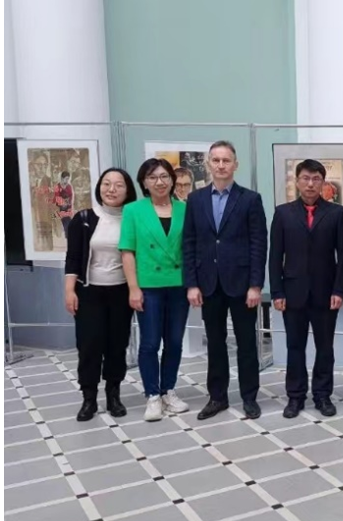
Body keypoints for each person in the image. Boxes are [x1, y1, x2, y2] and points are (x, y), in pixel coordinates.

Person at [182, 141, 268, 420]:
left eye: (226, 160)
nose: (221, 165)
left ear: (235, 165)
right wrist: (192, 283)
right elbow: (189, 242)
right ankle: (217, 397)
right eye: (216, 160)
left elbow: (259, 244)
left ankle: (249, 397)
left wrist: (256, 285)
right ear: (208, 163)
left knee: (247, 343)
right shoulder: (196, 199)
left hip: (242, 284)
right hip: (209, 283)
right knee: (215, 343)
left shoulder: (250, 199)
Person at [269, 159, 343, 418]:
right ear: (297, 181)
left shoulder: (337, 213)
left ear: (323, 182)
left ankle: (322, 395)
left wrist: (339, 290)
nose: (311, 184)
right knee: (295, 347)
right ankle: (295, 396)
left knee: (325, 348)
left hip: (326, 293)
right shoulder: (283, 213)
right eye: (305, 178)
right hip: (293, 293)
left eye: (316, 179)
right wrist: (277, 292)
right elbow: (275, 256)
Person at [119, 158, 191, 421]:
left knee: (174, 342)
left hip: (179, 284)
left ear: (172, 180)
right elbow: (127, 251)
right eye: (152, 177)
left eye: (164, 176)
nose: (159, 182)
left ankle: (168, 390)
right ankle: (152, 395)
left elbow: (192, 248)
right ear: (144, 183)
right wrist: (133, 288)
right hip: (148, 286)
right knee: (150, 342)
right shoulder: (133, 210)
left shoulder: (185, 209)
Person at [65, 168, 138, 421]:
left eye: (118, 185)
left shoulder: (132, 218)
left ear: (128, 191)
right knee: (89, 345)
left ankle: (113, 395)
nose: (111, 189)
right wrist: (69, 291)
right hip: (89, 292)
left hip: (121, 291)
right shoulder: (84, 218)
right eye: (106, 184)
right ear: (99, 188)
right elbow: (73, 258)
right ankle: (89, 399)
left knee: (117, 345)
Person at [54, 171, 75, 237]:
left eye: (68, 179)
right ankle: (68, 234)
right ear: (62, 178)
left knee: (69, 220)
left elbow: (71, 196)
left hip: (68, 207)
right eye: (66, 179)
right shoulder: (57, 186)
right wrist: (62, 203)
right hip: (60, 207)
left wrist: (69, 204)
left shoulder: (69, 186)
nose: (67, 180)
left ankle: (69, 234)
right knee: (64, 221)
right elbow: (57, 197)